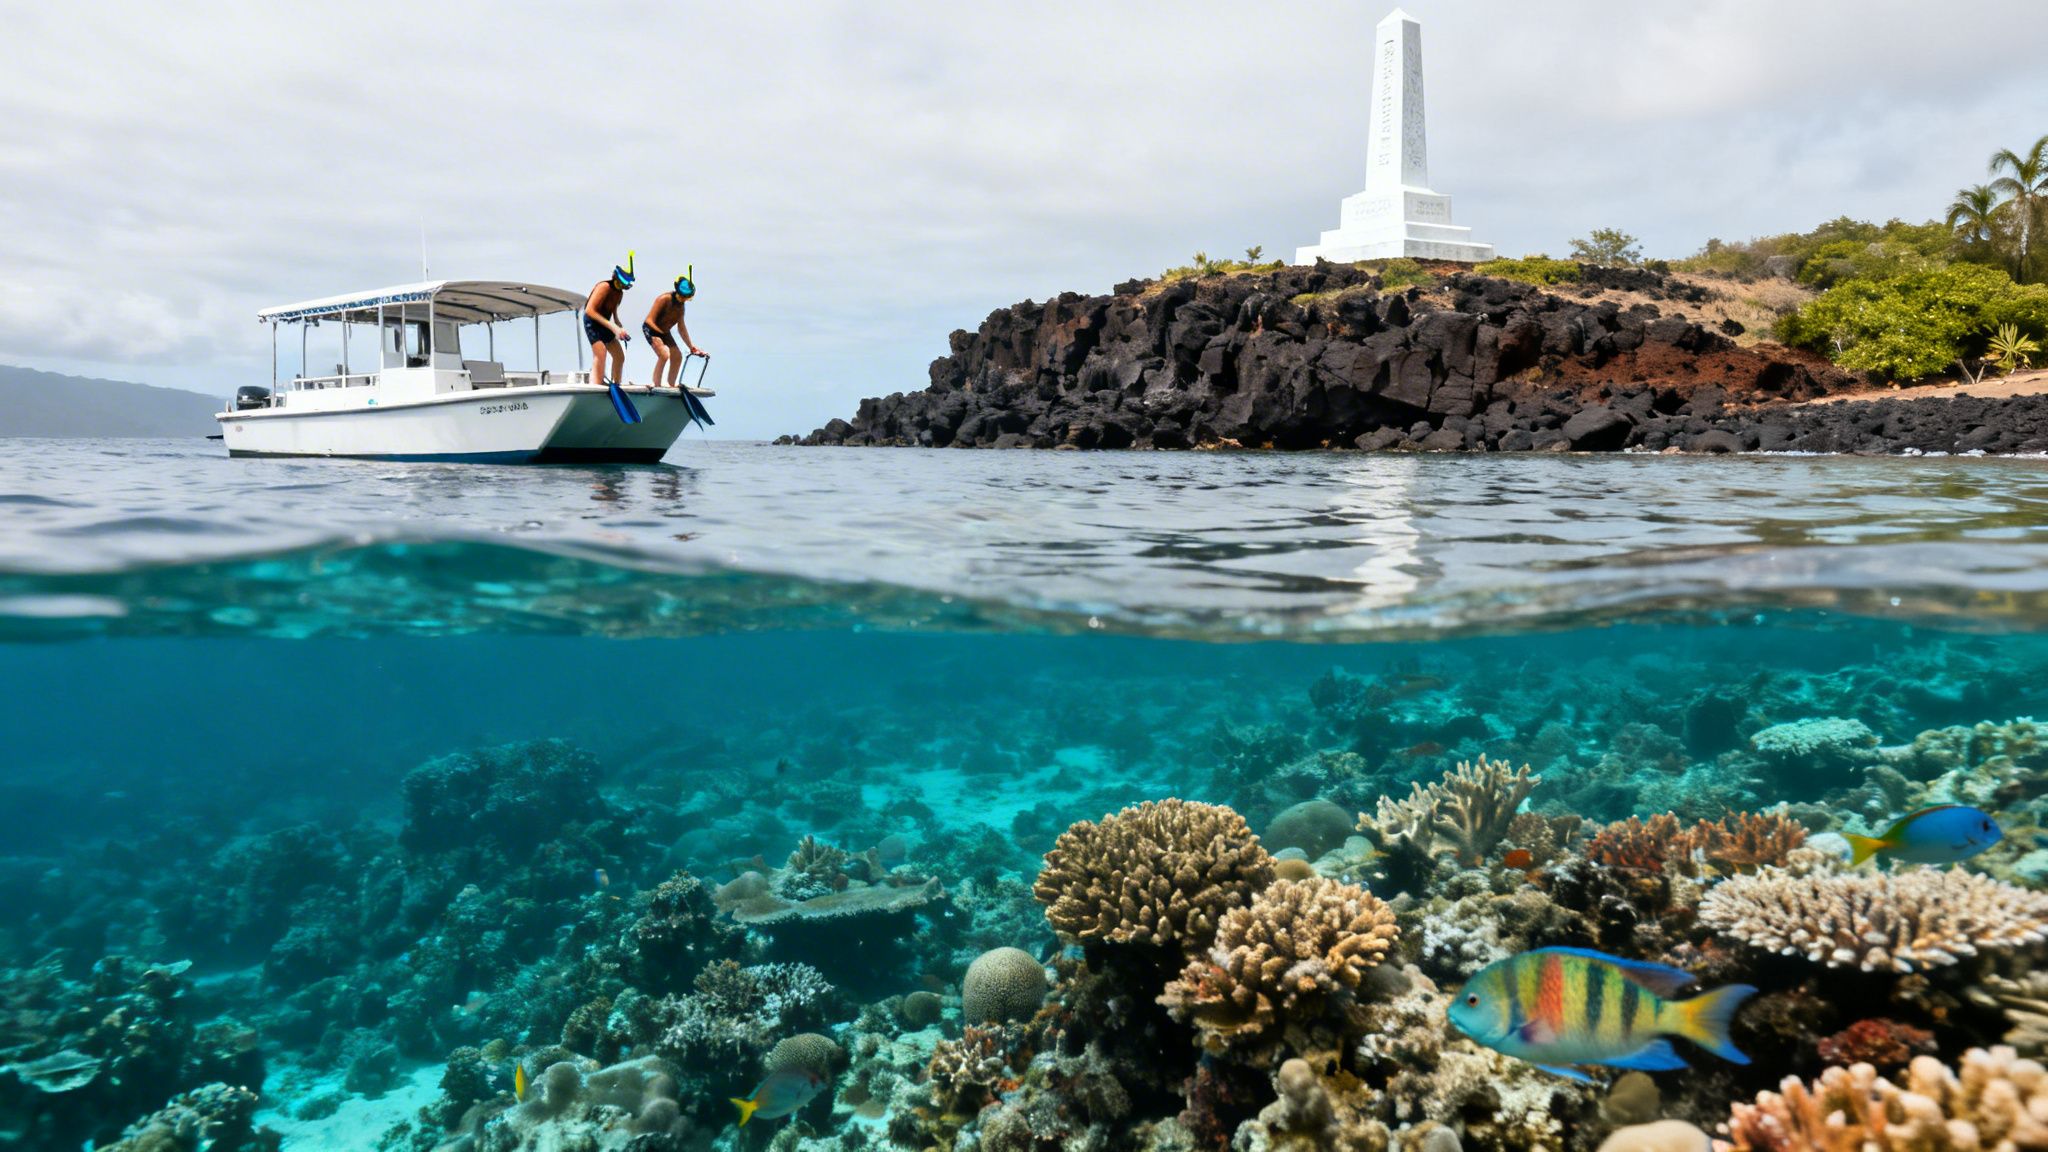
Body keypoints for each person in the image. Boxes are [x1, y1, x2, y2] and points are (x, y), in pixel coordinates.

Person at [642, 270, 706, 390]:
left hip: (665, 333)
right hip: (651, 329)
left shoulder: (681, 307)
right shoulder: (664, 299)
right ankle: (655, 384)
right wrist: (660, 335)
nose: (683, 299)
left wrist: (691, 347)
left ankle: (671, 384)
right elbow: (649, 321)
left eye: (686, 298)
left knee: (677, 356)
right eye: (682, 296)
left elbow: (681, 328)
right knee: (664, 354)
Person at [583, 251, 635, 387]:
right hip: (592, 322)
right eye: (624, 281)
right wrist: (613, 327)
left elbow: (613, 311)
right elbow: (589, 310)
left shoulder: (619, 294)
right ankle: (596, 384)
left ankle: (616, 385)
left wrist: (619, 325)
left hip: (606, 323)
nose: (625, 284)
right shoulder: (604, 287)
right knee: (601, 353)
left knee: (619, 356)